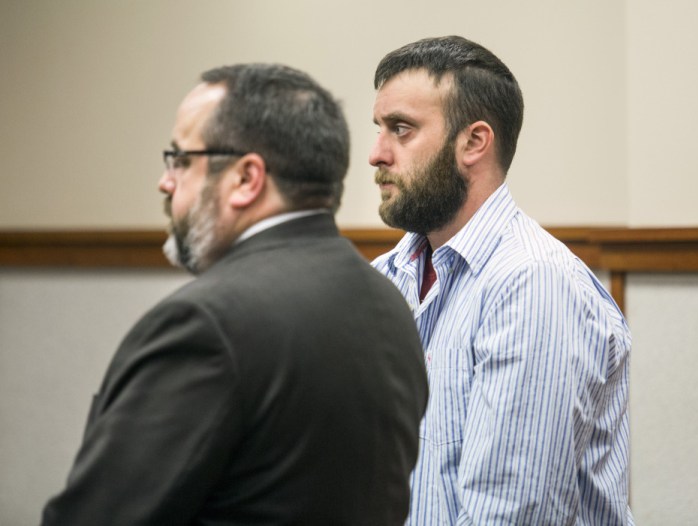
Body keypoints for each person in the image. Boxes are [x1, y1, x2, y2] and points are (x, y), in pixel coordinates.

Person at [41, 63, 428, 525]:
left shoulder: (205, 324)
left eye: (181, 159)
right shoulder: (389, 304)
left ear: (246, 179)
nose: (166, 182)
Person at [369, 36, 633, 525]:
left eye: (401, 130)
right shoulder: (385, 278)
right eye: (379, 129)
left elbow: (508, 516)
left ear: (474, 142)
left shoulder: (534, 285)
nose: (376, 154)